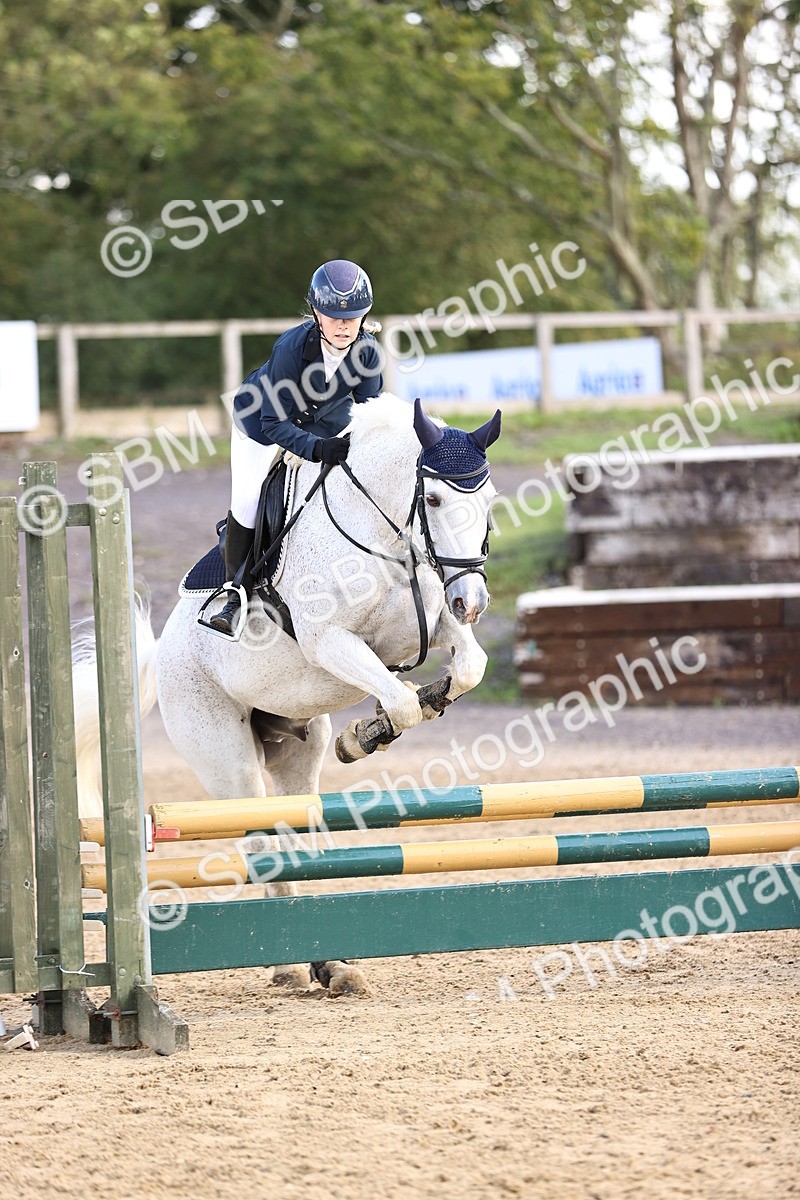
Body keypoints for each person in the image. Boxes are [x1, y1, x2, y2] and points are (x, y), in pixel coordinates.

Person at [210, 258, 384, 635]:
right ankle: (234, 593)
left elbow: (370, 411)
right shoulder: (291, 347)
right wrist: (318, 451)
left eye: (352, 317)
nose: (343, 326)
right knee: (249, 500)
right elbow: (274, 423)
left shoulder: (367, 352)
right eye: (333, 316)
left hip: (322, 420)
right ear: (317, 313)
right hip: (260, 422)